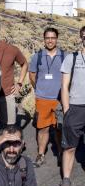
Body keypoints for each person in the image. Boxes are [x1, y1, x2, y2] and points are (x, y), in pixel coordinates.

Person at [28, 27, 64, 168]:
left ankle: (61, 154)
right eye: (47, 38)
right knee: (43, 129)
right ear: (44, 39)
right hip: (42, 99)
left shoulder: (64, 56)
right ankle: (41, 154)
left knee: (59, 128)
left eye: (53, 38)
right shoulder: (37, 56)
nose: (50, 40)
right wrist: (39, 88)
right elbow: (32, 75)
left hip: (59, 100)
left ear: (56, 39)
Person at [58, 25, 85, 186]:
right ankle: (66, 180)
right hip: (75, 108)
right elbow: (64, 85)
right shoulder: (71, 58)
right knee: (70, 147)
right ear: (81, 37)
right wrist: (67, 110)